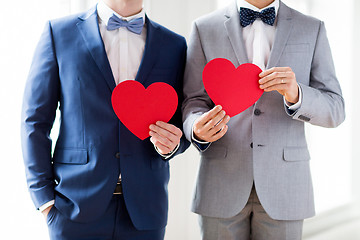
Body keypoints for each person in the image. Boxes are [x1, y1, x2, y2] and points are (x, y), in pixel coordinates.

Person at [21, 0, 190, 239]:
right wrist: (44, 199)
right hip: (73, 207)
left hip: (146, 210)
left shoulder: (174, 45)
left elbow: (182, 120)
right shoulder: (59, 33)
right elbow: (35, 120)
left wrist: (173, 144)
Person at [182, 0, 345, 239]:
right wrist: (196, 128)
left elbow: (336, 109)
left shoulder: (312, 27)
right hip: (221, 181)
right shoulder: (204, 27)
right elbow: (192, 101)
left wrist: (296, 94)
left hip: (286, 186)